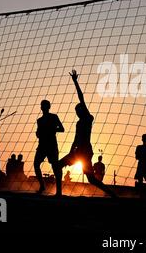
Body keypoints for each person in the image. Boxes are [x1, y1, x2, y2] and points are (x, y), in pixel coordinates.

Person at [58, 69, 116, 198]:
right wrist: (70, 151)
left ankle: (111, 193)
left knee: (91, 179)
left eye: (79, 110)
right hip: (77, 152)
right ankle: (58, 192)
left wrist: (75, 82)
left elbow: (81, 97)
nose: (77, 112)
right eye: (76, 111)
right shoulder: (79, 123)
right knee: (59, 166)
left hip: (85, 152)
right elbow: (75, 139)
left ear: (83, 110)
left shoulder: (88, 119)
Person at [34, 99, 64, 195]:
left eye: (45, 105)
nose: (43, 107)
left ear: (48, 107)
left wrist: (51, 129)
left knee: (55, 167)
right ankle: (42, 186)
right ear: (41, 107)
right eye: (42, 105)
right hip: (42, 146)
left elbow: (62, 129)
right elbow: (38, 133)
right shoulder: (39, 120)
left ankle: (59, 191)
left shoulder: (54, 117)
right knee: (36, 164)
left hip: (51, 146)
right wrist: (38, 133)